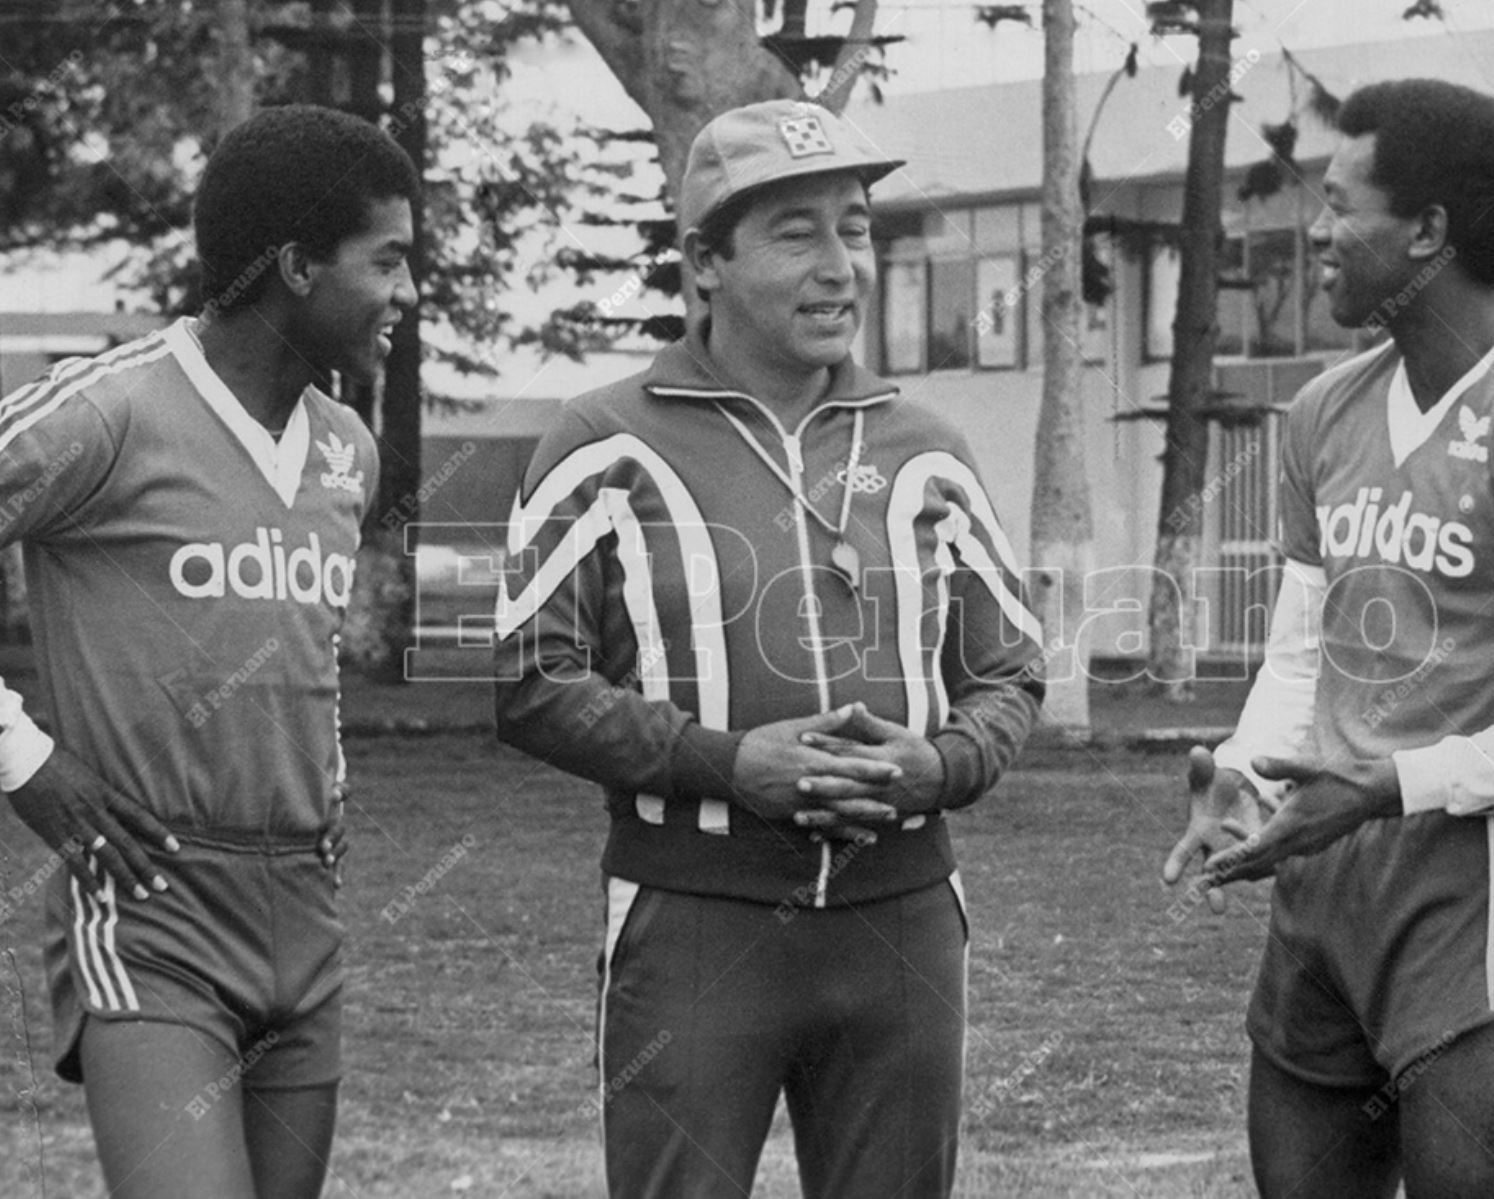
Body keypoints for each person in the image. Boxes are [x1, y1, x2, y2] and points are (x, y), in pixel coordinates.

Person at [494, 99, 1043, 1198]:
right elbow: (529, 680)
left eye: (855, 226)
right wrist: (731, 763)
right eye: (798, 233)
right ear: (706, 259)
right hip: (696, 923)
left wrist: (939, 766)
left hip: (902, 925)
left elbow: (1010, 671)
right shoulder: (604, 443)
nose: (841, 264)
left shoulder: (926, 448)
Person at [1162, 79, 1494, 1198]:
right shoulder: (1328, 408)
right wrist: (1241, 777)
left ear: (1429, 230)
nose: (1317, 233)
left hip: (1467, 915)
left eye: (1342, 206)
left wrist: (1390, 785)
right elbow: (1304, 654)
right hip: (1319, 901)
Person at [0, 104, 418, 1198]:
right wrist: (23, 757)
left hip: (306, 913)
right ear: (293, 265)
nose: (407, 294)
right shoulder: (110, 412)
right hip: (150, 905)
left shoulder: (349, 450)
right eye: (389, 260)